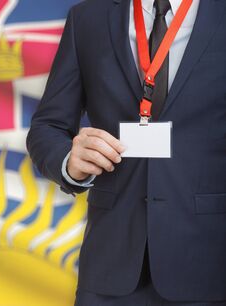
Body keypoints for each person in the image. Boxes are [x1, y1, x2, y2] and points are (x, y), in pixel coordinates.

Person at [26, 0, 226, 305]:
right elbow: (47, 126)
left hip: (210, 264)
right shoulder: (87, 18)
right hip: (110, 268)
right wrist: (68, 161)